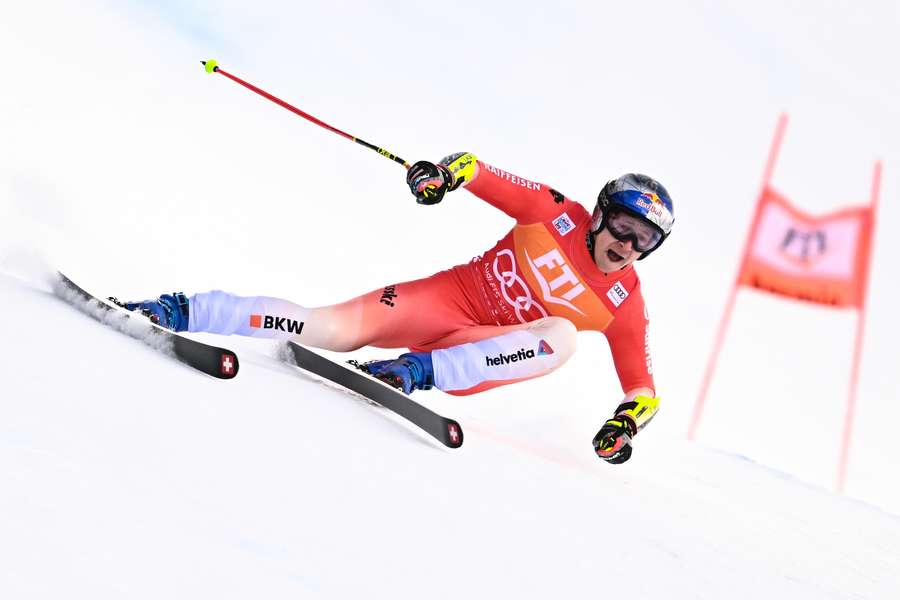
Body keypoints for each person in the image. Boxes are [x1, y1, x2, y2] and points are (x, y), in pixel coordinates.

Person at [122, 153, 674, 464]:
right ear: (602, 214)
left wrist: (625, 425)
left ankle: (416, 372)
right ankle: (181, 310)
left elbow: (642, 388)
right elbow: (475, 168)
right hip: (439, 302)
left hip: (472, 354)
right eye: (624, 226)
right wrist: (442, 176)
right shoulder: (556, 212)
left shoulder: (624, 303)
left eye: (643, 241)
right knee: (325, 327)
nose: (627, 245)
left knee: (563, 338)